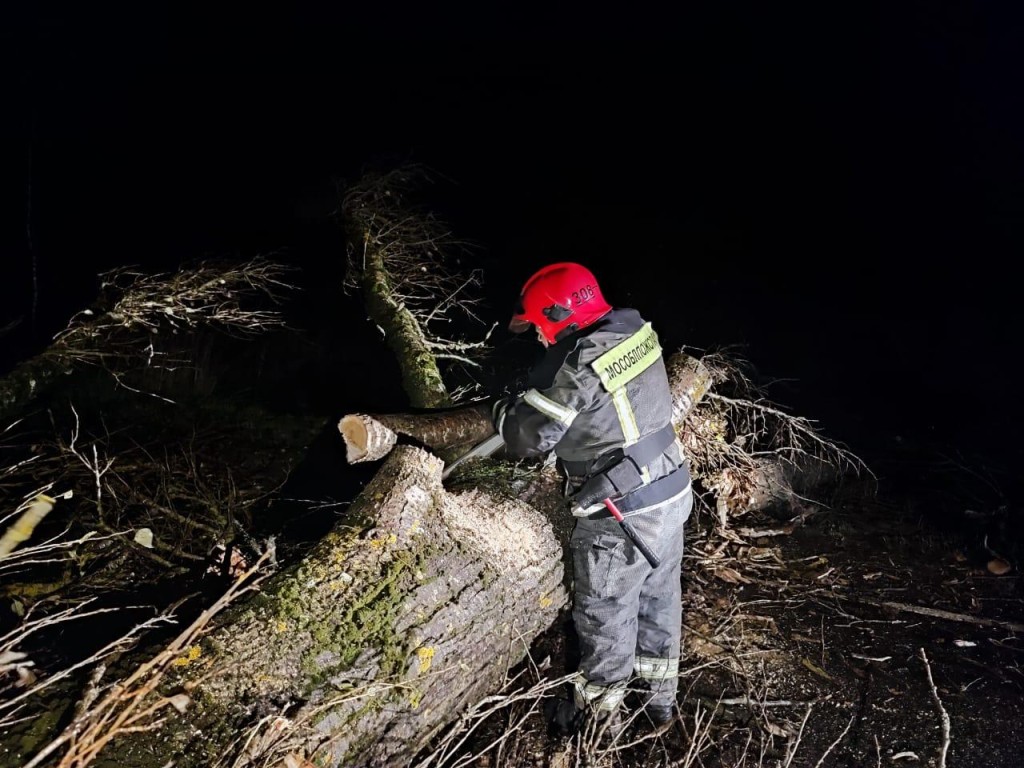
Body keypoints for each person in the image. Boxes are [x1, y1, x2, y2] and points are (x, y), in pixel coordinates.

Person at [492, 262, 693, 735]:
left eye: (540, 327)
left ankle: (598, 726)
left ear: (561, 315)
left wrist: (503, 410)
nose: (539, 338)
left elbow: (529, 437)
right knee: (660, 601)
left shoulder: (578, 364)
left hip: (623, 516)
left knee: (607, 619)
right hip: (670, 490)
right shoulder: (635, 329)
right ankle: (659, 705)